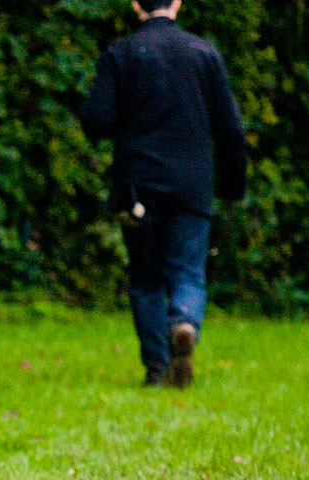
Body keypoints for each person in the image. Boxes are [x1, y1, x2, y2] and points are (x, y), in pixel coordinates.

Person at [80, 0, 247, 387]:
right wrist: (232, 187)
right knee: (188, 270)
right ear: (177, 2)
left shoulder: (121, 53)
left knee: (146, 277)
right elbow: (231, 129)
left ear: (136, 4)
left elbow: (96, 119)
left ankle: (157, 368)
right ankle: (185, 323)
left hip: (138, 185)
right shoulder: (204, 53)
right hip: (192, 185)